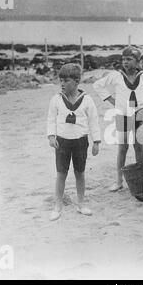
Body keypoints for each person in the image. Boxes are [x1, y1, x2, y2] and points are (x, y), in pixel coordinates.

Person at [93, 46, 143, 192]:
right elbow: (97, 85)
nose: (125, 62)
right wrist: (110, 99)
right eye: (123, 59)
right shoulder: (116, 75)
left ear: (138, 61)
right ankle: (119, 180)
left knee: (138, 146)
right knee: (123, 147)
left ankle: (140, 175)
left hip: (139, 114)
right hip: (123, 115)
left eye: (129, 59)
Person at [47, 63, 101, 221]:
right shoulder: (56, 99)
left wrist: (96, 141)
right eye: (60, 80)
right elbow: (51, 119)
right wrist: (51, 136)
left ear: (77, 81)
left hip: (80, 141)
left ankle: (81, 203)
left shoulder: (87, 100)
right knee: (61, 174)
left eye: (66, 80)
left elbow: (93, 121)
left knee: (80, 173)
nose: (62, 84)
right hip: (62, 142)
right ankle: (58, 205)